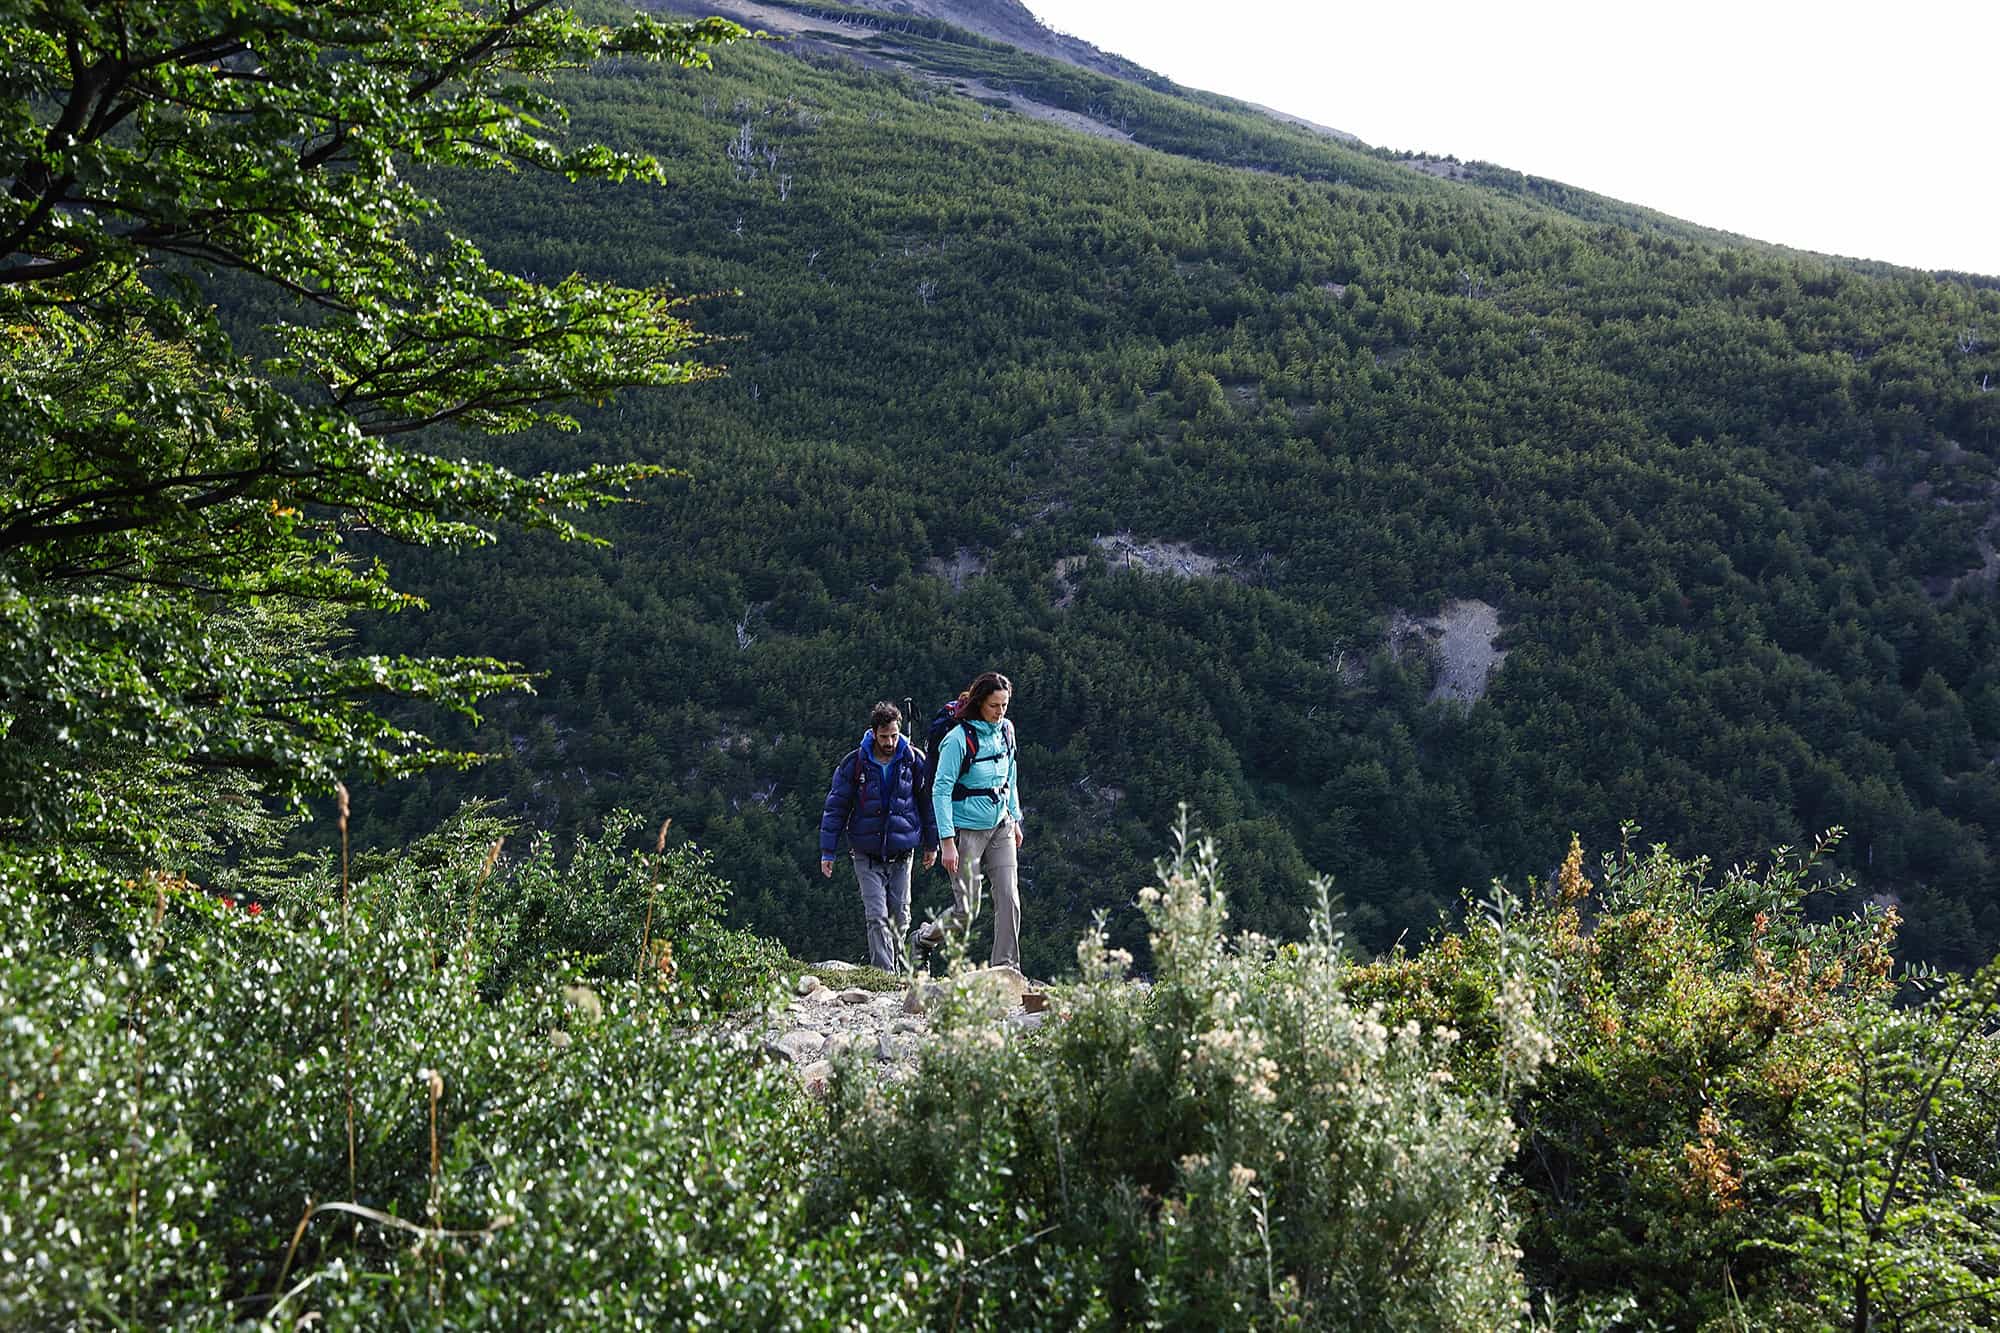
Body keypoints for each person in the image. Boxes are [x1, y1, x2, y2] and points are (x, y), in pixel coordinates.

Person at [916, 671, 1025, 970]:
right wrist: (947, 841)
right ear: (980, 703)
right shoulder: (958, 739)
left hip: (1000, 824)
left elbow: (1010, 776)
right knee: (967, 910)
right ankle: (925, 938)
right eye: (994, 706)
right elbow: (941, 789)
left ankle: (1005, 968)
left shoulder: (1007, 731)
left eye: (1004, 705)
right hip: (966, 831)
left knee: (1009, 898)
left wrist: (1014, 817)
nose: (1000, 712)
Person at [819, 701, 937, 972]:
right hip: (866, 853)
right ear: (873, 733)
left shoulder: (913, 760)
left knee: (900, 917)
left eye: (894, 735)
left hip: (902, 852)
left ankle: (896, 966)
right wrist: (828, 851)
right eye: (884, 736)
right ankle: (884, 975)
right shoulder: (855, 763)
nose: (890, 741)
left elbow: (926, 803)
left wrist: (932, 844)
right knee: (876, 917)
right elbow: (836, 807)